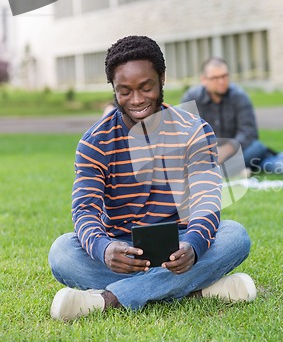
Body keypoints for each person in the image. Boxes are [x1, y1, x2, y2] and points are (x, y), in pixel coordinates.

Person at [48, 35, 256, 321]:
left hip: (181, 245)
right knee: (61, 253)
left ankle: (109, 300)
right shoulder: (94, 142)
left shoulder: (195, 131)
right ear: (113, 88)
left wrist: (194, 245)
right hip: (122, 251)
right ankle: (200, 290)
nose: (137, 100)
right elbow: (85, 209)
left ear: (162, 79)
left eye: (146, 88)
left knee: (235, 236)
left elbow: (207, 199)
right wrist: (105, 248)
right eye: (125, 91)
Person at [181, 57, 273, 169]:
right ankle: (230, 170)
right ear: (204, 80)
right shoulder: (191, 98)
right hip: (204, 155)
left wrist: (226, 150)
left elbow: (248, 132)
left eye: (224, 76)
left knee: (257, 148)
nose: (221, 81)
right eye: (215, 78)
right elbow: (185, 135)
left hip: (234, 152)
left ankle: (219, 171)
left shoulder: (240, 97)